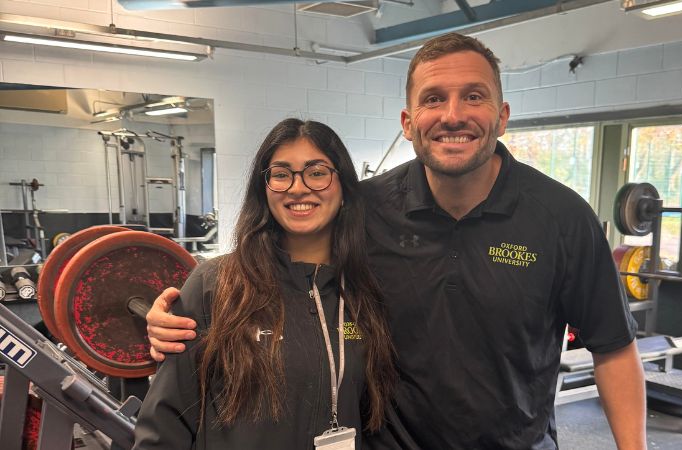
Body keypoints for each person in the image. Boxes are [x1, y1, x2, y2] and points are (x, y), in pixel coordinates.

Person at [145, 33, 647, 450]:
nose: (453, 115)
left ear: (502, 115)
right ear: (408, 123)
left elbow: (614, 350)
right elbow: (281, 251)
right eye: (433, 98)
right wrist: (184, 310)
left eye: (474, 95)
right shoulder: (367, 208)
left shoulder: (562, 218)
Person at [133, 118, 396, 450]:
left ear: (343, 188)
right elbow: (164, 422)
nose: (298, 188)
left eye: (317, 172)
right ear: (265, 189)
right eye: (282, 174)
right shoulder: (216, 285)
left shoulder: (364, 292)